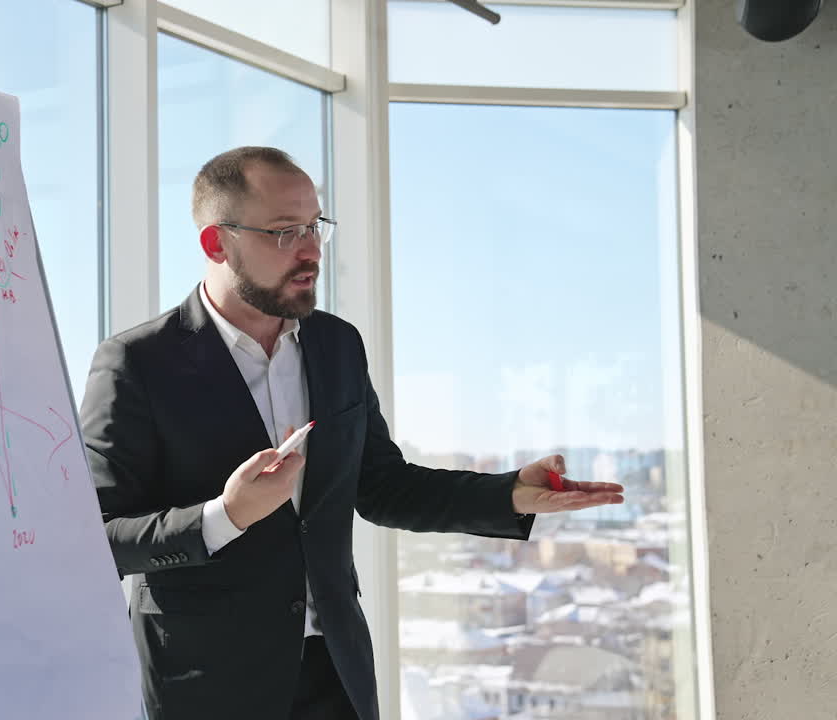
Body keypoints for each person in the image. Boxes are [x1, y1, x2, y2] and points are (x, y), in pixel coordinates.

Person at [79, 146, 625, 720]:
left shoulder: (337, 345)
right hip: (207, 682)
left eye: (315, 227)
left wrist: (509, 491)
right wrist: (225, 516)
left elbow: (382, 486)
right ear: (218, 243)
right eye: (285, 232)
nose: (312, 250)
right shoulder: (137, 363)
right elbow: (96, 540)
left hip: (336, 673)